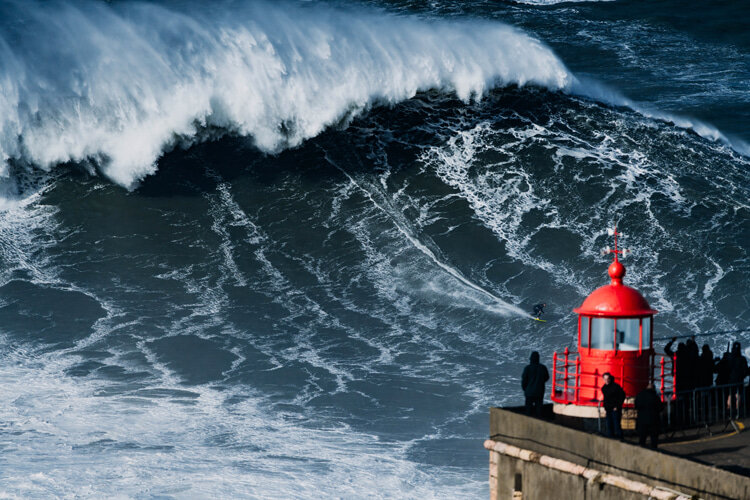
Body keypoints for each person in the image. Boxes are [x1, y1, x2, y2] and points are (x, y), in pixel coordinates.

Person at [522, 351, 549, 418]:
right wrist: (540, 383)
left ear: (531, 359)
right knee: (539, 411)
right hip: (539, 392)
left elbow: (524, 381)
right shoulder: (543, 368)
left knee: (528, 411)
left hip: (529, 393)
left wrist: (526, 389)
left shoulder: (527, 368)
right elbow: (547, 377)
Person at [635, 383, 662, 449]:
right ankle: (654, 450)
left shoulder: (639, 395)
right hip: (653, 420)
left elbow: (636, 406)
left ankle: (641, 450)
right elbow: (660, 408)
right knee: (654, 438)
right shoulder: (655, 397)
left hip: (642, 420)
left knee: (642, 438)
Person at [601, 372, 625, 439]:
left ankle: (619, 437)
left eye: (608, 378)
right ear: (603, 379)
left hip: (615, 408)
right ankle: (611, 437)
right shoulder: (604, 388)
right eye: (605, 379)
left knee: (616, 424)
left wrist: (617, 406)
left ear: (610, 378)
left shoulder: (616, 387)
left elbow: (622, 396)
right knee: (609, 424)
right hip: (608, 408)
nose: (606, 380)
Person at [728, 342, 748, 418]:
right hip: (739, 380)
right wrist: (742, 376)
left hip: (731, 380)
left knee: (730, 395)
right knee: (738, 396)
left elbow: (726, 368)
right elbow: (745, 370)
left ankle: (729, 412)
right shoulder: (742, 359)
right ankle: (737, 412)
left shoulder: (730, 358)